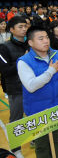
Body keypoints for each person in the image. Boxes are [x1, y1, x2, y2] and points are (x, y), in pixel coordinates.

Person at [17, 26, 58, 158]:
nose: (46, 41)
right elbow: (31, 86)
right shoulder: (24, 62)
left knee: (57, 142)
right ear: (30, 42)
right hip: (37, 112)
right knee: (42, 146)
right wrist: (51, 71)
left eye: (47, 37)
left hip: (57, 108)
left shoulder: (57, 55)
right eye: (40, 38)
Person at [0, 16, 28, 158]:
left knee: (33, 115)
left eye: (25, 26)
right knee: (16, 119)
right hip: (16, 89)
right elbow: (5, 71)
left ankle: (34, 139)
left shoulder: (30, 44)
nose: (24, 29)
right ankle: (16, 149)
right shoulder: (4, 47)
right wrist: (23, 59)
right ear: (11, 30)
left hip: (33, 88)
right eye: (20, 27)